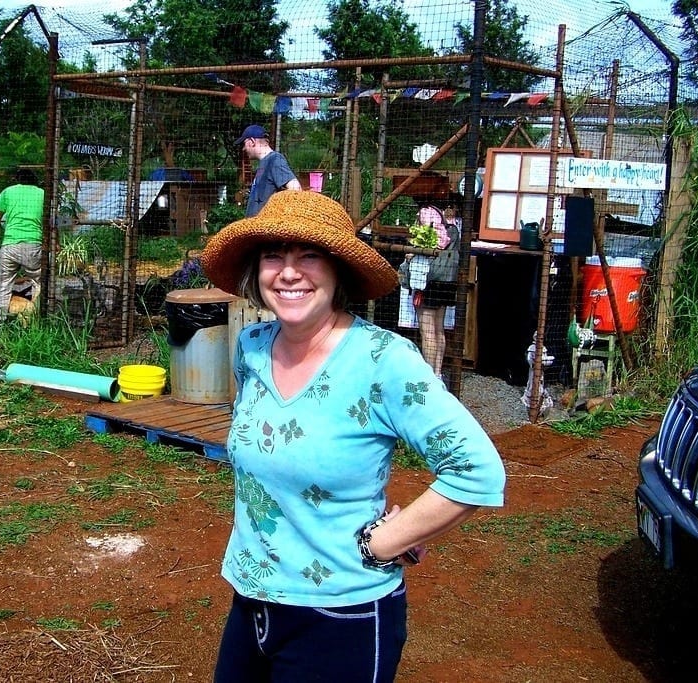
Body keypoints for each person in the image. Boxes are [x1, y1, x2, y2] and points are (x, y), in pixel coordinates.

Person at [199, 191, 505, 683]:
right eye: (274, 255)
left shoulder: (384, 360)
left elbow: (477, 470)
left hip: (341, 615)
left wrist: (385, 542)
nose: (289, 273)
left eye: (309, 256)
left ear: (338, 270)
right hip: (251, 600)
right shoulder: (252, 346)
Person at [0, 168, 44, 324]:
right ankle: (38, 319)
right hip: (34, 244)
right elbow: (51, 221)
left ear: (17, 180)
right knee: (40, 282)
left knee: (1, 285)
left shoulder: (8, 192)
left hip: (10, 245)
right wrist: (56, 242)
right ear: (34, 180)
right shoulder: (42, 193)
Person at [413, 204, 460, 380]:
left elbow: (437, 242)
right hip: (447, 278)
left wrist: (413, 252)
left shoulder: (427, 212)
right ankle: (438, 373)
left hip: (430, 278)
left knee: (427, 332)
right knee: (439, 329)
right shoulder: (452, 218)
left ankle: (429, 378)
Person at [235, 124, 301, 217]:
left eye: (244, 143)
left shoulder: (274, 159)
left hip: (266, 224)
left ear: (252, 141)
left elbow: (296, 190)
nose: (243, 148)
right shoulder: (265, 162)